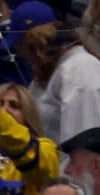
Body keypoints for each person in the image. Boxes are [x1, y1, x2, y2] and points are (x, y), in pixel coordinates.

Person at [16, 8, 100, 145]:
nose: (21, 54)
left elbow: (85, 139)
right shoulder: (45, 75)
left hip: (72, 164)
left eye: (21, 45)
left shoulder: (79, 67)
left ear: (37, 43)